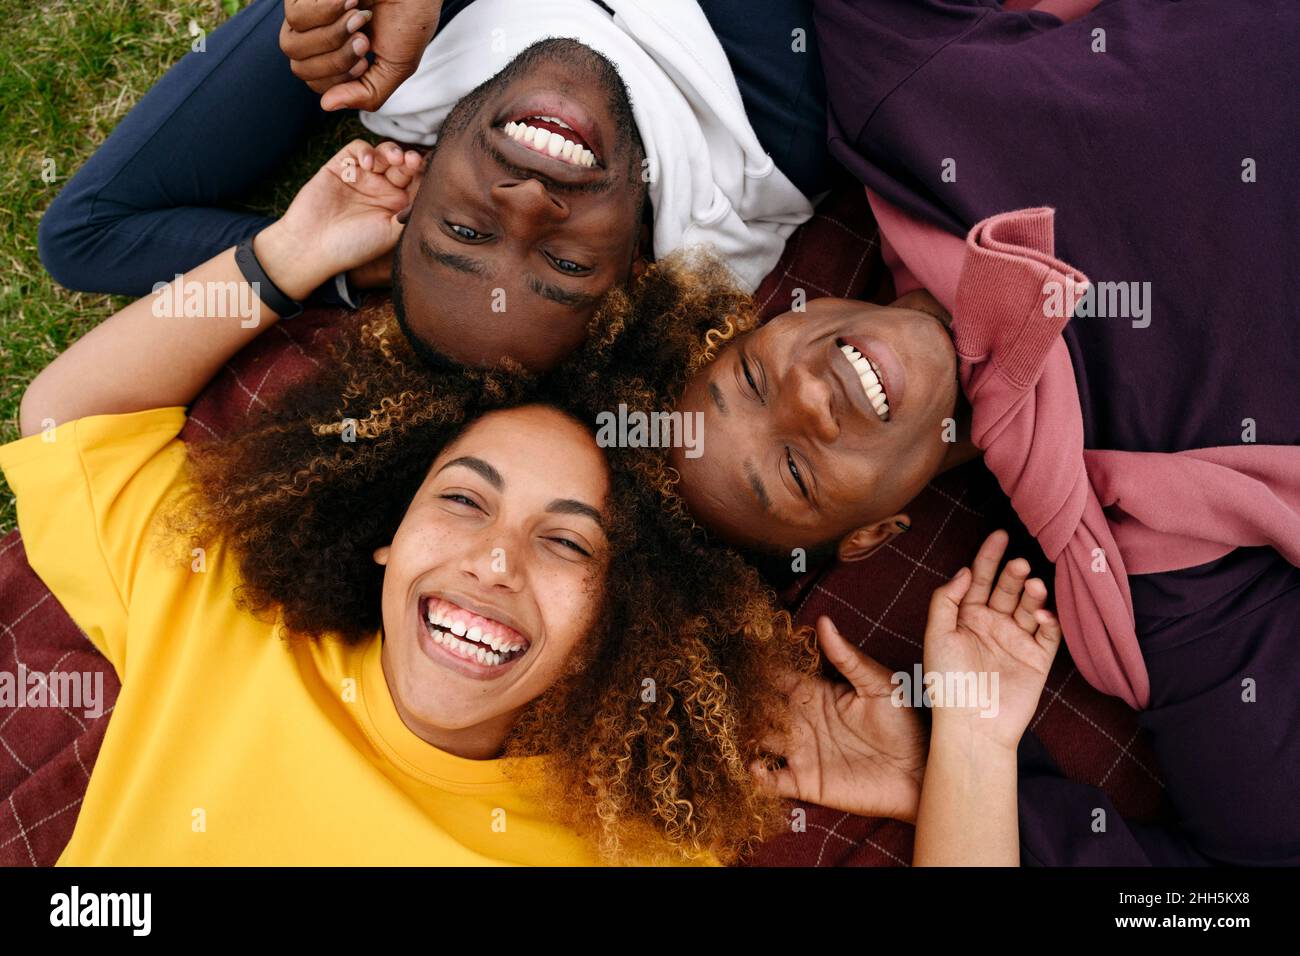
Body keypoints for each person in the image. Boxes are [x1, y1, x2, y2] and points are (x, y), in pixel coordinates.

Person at [8, 145, 829, 865]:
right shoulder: (224, 609)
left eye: (572, 545)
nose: (496, 561)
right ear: (386, 536)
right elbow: (69, 421)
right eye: (466, 499)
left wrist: (955, 764)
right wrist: (283, 258)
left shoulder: (633, 847)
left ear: (611, 629)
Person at [38, 0, 826, 371]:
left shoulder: (386, 62)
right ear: (639, 272)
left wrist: (311, 259)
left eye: (464, 234)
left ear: (411, 195)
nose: (525, 202)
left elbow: (88, 235)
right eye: (565, 265)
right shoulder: (776, 125)